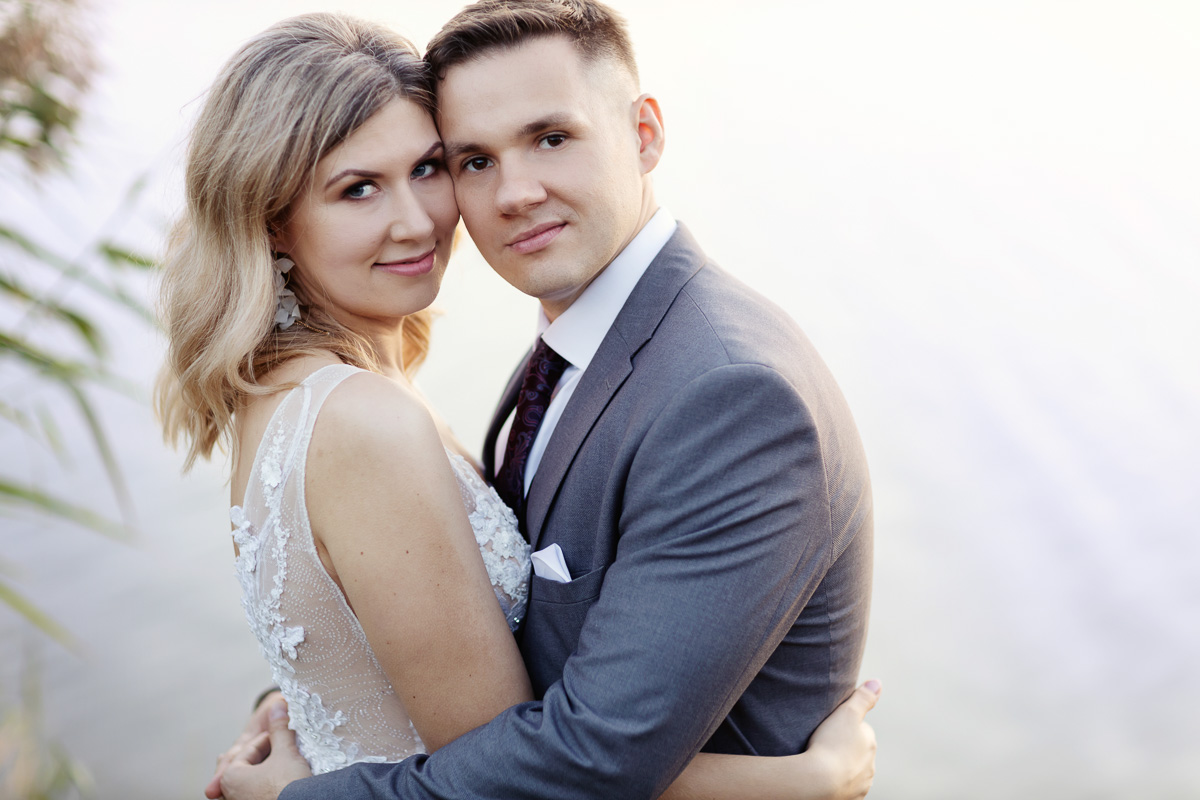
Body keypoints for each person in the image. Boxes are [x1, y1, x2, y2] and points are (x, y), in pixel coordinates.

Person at [156, 10, 879, 800]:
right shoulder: (373, 410)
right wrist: (802, 781)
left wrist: (301, 745)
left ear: (643, 134)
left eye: (551, 138)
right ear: (273, 221)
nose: (509, 195)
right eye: (472, 160)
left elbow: (578, 749)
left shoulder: (731, 395)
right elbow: (547, 751)